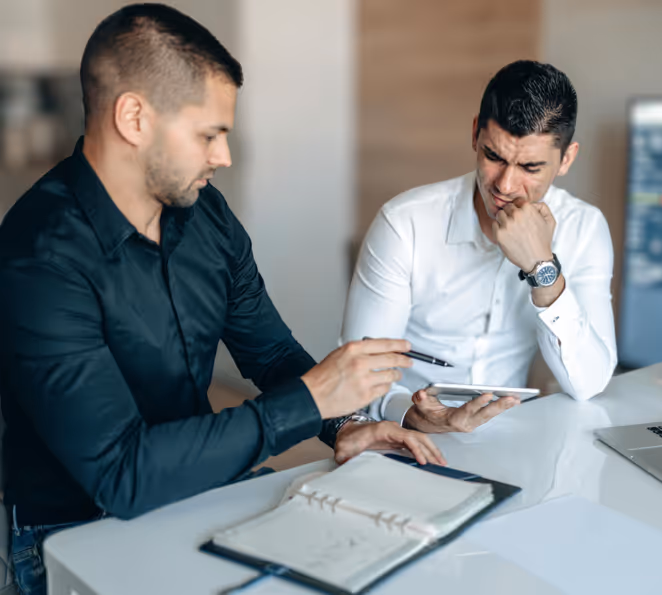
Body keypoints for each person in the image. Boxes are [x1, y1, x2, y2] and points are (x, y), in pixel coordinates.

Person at [0, 5, 442, 594]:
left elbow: (269, 352)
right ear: (134, 118)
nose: (224, 157)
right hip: (75, 528)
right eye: (210, 134)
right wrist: (308, 401)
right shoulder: (39, 255)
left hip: (197, 489)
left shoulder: (204, 214)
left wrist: (343, 425)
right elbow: (121, 473)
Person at [342, 60, 617, 434]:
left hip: (516, 437)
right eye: (494, 157)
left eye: (530, 167)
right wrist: (412, 413)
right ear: (475, 134)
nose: (505, 184)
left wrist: (542, 269)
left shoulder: (585, 228)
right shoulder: (405, 223)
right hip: (406, 431)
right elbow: (357, 374)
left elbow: (589, 383)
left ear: (566, 159)